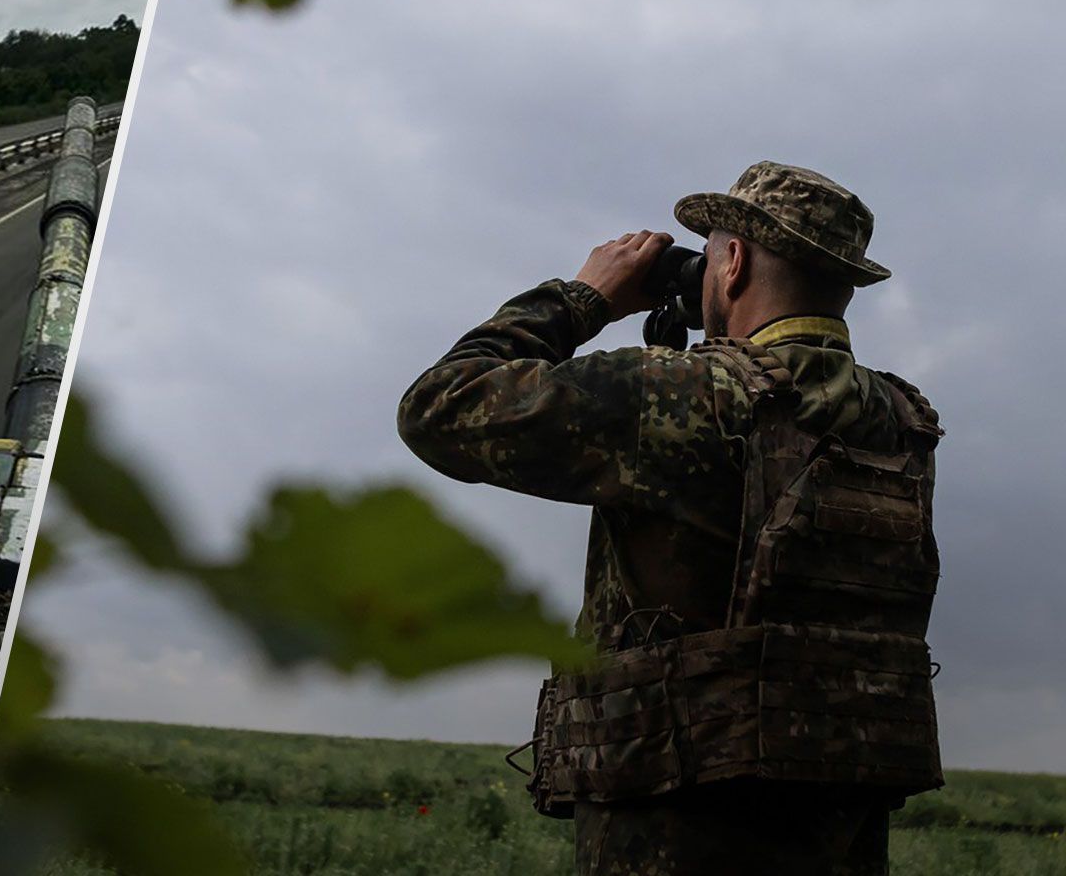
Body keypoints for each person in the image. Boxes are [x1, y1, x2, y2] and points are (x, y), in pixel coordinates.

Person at [397, 162, 943, 876]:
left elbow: (439, 406)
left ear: (736, 260)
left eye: (710, 252)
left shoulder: (690, 394)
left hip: (677, 809)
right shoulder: (900, 418)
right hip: (841, 805)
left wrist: (582, 297)